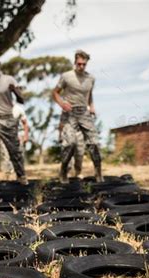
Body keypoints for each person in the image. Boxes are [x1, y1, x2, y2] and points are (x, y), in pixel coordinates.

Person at [52, 50, 103, 183]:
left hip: (84, 113)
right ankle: (63, 171)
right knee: (70, 143)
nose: (81, 67)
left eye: (84, 64)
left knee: (94, 143)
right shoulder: (66, 76)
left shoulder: (91, 78)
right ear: (75, 62)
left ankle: (98, 172)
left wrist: (91, 106)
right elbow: (55, 93)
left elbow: (89, 95)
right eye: (79, 64)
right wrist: (62, 104)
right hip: (69, 113)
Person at [0, 103, 30, 178]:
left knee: (18, 157)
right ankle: (7, 177)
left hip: (18, 135)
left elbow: (25, 123)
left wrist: (25, 135)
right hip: (4, 135)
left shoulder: (18, 109)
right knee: (6, 157)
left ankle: (20, 177)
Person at [58, 111, 85, 177]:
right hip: (67, 132)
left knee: (79, 154)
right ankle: (66, 173)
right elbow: (61, 124)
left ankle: (78, 172)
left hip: (79, 133)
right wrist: (59, 135)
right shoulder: (65, 109)